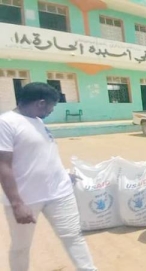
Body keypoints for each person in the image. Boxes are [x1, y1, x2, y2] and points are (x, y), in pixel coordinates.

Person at [0, 82, 97, 271]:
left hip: (59, 193)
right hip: (26, 199)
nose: (52, 110)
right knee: (21, 247)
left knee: (73, 236)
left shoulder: (37, 120)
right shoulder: (5, 123)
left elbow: (41, 154)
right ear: (41, 103)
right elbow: (3, 165)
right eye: (52, 105)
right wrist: (17, 203)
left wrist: (63, 174)